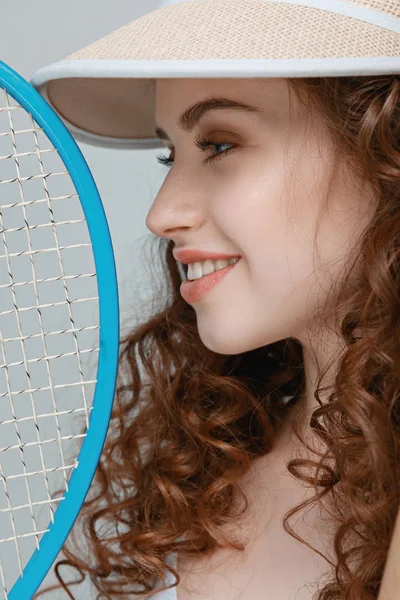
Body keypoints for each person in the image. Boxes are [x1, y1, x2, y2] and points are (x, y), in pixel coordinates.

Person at [30, 1, 400, 598]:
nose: (162, 214)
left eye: (221, 145)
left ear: (382, 147)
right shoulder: (207, 472)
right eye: (169, 156)